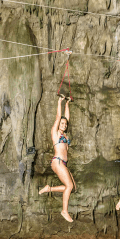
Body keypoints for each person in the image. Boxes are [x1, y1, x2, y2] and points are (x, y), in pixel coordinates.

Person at [39, 94, 76, 222]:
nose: (64, 124)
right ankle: (64, 211)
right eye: (62, 123)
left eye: (65, 124)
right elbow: (58, 117)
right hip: (58, 161)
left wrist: (68, 104)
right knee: (69, 186)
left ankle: (48, 189)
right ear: (58, 124)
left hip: (63, 164)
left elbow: (67, 118)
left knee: (72, 187)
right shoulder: (55, 133)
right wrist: (60, 102)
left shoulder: (65, 135)